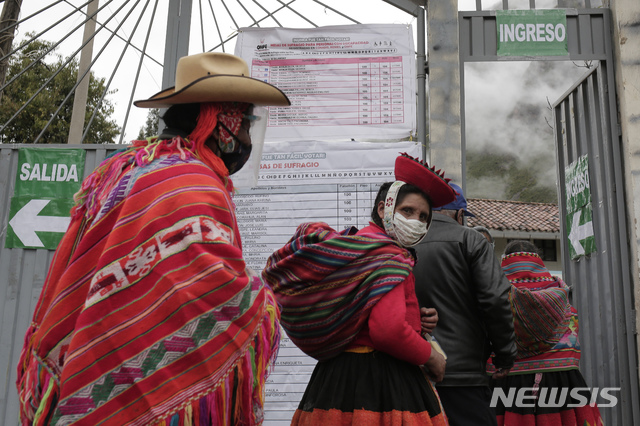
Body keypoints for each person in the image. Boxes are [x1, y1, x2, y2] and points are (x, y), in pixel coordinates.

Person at [16, 52, 289, 425]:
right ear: (220, 121)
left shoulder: (122, 168)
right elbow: (214, 294)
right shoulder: (193, 183)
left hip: (85, 364)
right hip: (150, 397)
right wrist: (268, 299)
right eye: (245, 122)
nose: (246, 136)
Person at [262, 153, 456, 425]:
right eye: (407, 211)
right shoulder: (389, 256)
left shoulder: (355, 245)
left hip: (336, 379)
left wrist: (414, 317)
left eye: (423, 216)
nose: (416, 221)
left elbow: (364, 309)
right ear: (382, 209)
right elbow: (387, 331)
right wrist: (431, 356)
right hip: (379, 380)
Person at [413, 182, 517, 426]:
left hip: (412, 373)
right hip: (463, 376)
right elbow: (496, 299)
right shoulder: (470, 240)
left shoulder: (401, 243)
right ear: (459, 214)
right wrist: (504, 356)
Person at [490, 240, 603, 425]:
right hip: (563, 385)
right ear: (539, 263)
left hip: (507, 387)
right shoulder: (563, 304)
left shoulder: (494, 303)